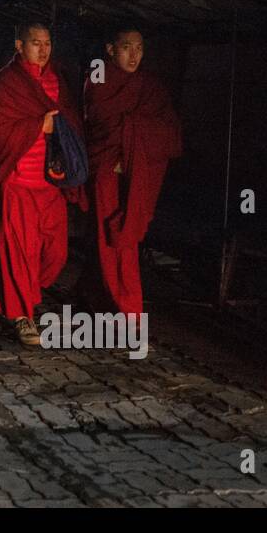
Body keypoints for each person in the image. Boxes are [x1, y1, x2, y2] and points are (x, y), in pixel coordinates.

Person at [0, 20, 86, 347]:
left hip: (49, 183)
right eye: (35, 43)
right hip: (18, 179)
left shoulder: (57, 81)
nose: (43, 50)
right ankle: (20, 314)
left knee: (55, 251)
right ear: (19, 45)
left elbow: (72, 123)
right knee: (18, 250)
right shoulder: (6, 83)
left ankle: (23, 293)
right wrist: (38, 125)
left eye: (47, 43)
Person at [83, 25, 182, 316]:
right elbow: (101, 124)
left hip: (136, 172)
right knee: (112, 240)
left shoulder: (150, 86)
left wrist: (132, 142)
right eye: (127, 47)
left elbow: (172, 134)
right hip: (107, 171)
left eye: (139, 48)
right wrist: (129, 136)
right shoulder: (99, 80)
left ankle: (95, 296)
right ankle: (125, 310)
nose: (134, 55)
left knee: (122, 240)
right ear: (111, 50)